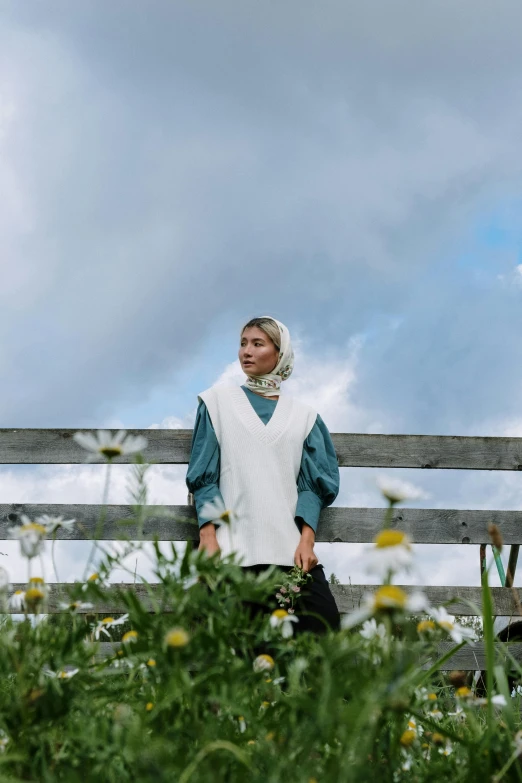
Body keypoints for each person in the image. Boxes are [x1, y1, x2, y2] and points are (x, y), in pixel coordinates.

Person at [186, 316, 341, 635]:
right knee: (228, 653)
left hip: (290, 553)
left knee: (323, 632)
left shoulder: (305, 417)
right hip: (231, 553)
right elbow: (204, 477)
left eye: (258, 343)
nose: (247, 351)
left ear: (279, 352)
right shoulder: (216, 404)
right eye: (243, 343)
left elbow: (314, 486)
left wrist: (307, 542)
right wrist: (208, 537)